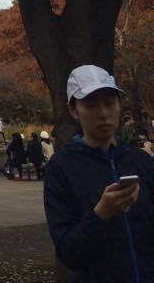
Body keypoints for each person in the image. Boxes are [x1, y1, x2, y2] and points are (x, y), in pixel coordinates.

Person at [44, 64, 154, 283]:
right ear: (73, 110)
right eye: (91, 105)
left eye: (109, 103)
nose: (103, 114)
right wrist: (101, 214)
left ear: (120, 105)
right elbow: (68, 253)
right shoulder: (62, 167)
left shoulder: (141, 161)